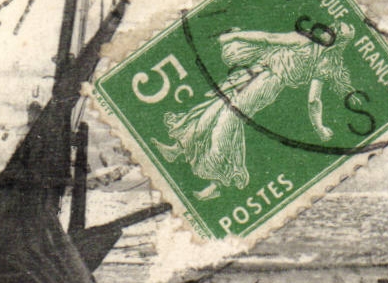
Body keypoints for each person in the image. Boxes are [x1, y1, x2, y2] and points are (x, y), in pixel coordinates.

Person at [151, 22, 355, 201]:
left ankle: (217, 181)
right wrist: (319, 127)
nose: (329, 30)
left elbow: (313, 98)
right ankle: (178, 148)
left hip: (267, 82)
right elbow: (313, 98)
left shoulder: (317, 55)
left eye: (335, 30)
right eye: (332, 27)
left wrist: (233, 37)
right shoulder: (314, 49)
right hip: (254, 72)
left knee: (228, 120)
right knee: (214, 108)